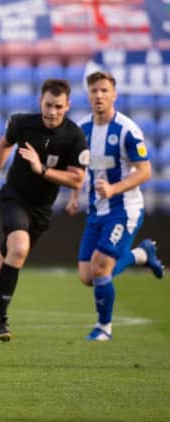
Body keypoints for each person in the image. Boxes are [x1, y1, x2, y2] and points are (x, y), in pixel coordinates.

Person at [0, 78, 89, 342]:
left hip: (41, 210)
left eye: (58, 106)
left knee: (0, 266)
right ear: (40, 102)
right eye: (48, 105)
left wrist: (41, 169)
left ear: (67, 105)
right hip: (14, 197)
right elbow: (4, 144)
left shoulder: (74, 137)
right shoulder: (23, 123)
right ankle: (0, 321)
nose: (52, 112)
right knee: (19, 248)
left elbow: (77, 179)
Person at [65, 71, 165, 341]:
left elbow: (144, 172)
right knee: (87, 276)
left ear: (114, 94)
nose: (99, 95)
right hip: (96, 211)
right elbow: (80, 167)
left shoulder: (127, 130)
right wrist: (75, 195)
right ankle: (142, 255)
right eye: (94, 90)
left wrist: (113, 189)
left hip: (125, 209)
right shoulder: (82, 129)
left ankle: (104, 328)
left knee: (100, 269)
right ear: (88, 94)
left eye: (104, 91)